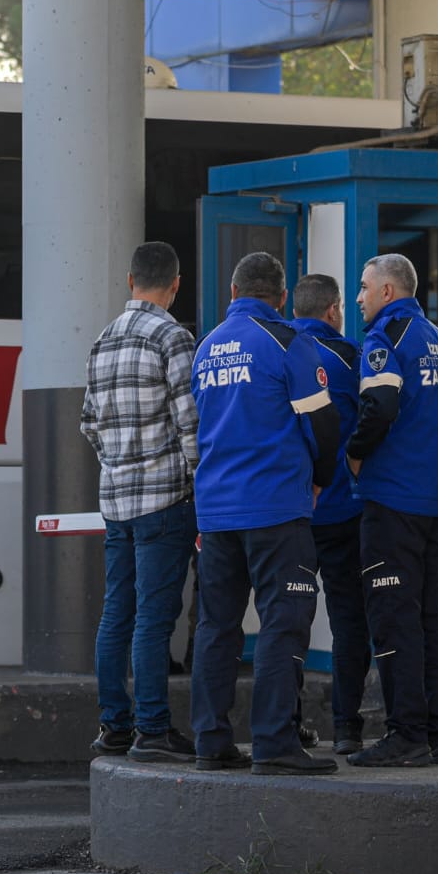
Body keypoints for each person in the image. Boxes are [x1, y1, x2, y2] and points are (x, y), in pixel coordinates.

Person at [190, 251, 341, 775]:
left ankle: (210, 741)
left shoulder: (206, 347)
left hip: (214, 513)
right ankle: (275, 742)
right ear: (280, 299)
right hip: (275, 508)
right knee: (283, 622)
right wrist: (321, 479)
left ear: (233, 293)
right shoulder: (288, 343)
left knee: (217, 626)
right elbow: (324, 428)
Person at [345, 253, 438, 769]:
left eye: (363, 287)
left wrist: (355, 452)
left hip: (391, 501)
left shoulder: (384, 340)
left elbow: (378, 406)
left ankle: (405, 736)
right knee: (428, 620)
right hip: (432, 505)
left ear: (386, 291)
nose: (358, 297)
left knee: (393, 619)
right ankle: (435, 735)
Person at [80, 242, 200, 763]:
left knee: (116, 616)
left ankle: (115, 727)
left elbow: (88, 422)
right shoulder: (174, 338)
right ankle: (153, 729)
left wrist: (117, 460)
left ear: (131, 281)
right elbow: (191, 425)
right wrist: (201, 487)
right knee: (154, 619)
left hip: (116, 501)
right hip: (164, 500)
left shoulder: (103, 340)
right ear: (176, 285)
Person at [290, 272, 375, 755]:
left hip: (294, 512)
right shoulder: (350, 358)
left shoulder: (280, 351)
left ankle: (291, 723)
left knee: (292, 620)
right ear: (333, 311)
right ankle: (347, 728)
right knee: (349, 621)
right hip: (343, 510)